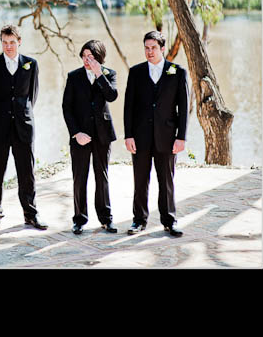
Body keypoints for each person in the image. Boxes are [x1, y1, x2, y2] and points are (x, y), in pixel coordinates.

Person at [0, 24, 47, 231]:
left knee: (27, 173)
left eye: (12, 42)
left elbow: (32, 96)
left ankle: (30, 214)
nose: (8, 46)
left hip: (23, 127)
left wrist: (21, 113)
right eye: (4, 42)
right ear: (1, 42)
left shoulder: (31, 64)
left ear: (19, 42)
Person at [123, 31, 189, 237]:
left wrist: (181, 137)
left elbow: (183, 107)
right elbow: (128, 107)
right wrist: (128, 135)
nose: (149, 51)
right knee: (140, 181)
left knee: (166, 181)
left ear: (162, 49)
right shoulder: (136, 72)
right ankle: (139, 220)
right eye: (146, 48)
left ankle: (169, 220)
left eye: (153, 48)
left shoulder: (177, 72)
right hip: (140, 137)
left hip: (167, 137)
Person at [62, 40, 119, 235]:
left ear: (100, 58)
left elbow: (112, 96)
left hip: (102, 134)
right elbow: (66, 108)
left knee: (102, 177)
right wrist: (76, 133)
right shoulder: (74, 77)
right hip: (81, 135)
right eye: (84, 56)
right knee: (80, 177)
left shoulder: (109, 74)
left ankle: (106, 219)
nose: (87, 60)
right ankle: (79, 219)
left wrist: (98, 74)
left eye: (91, 57)